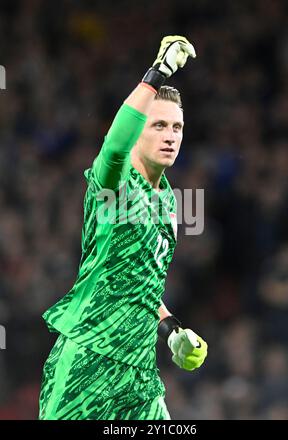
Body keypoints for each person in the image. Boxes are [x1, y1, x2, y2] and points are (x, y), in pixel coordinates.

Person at [39, 35, 208, 420]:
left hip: (139, 374)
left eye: (177, 127)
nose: (170, 135)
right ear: (137, 131)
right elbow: (114, 148)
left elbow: (140, 287)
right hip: (88, 361)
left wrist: (172, 330)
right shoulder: (112, 184)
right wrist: (158, 72)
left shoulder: (168, 201)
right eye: (159, 125)